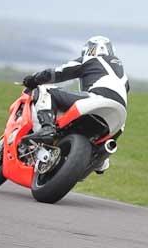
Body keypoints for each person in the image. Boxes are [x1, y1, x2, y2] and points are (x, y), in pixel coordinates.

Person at [22, 36, 130, 171]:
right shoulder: (123, 75)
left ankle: (47, 128)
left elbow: (56, 73)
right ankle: (100, 158)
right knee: (101, 158)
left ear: (90, 49)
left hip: (97, 99)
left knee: (45, 90)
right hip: (118, 120)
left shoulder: (92, 59)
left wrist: (33, 79)